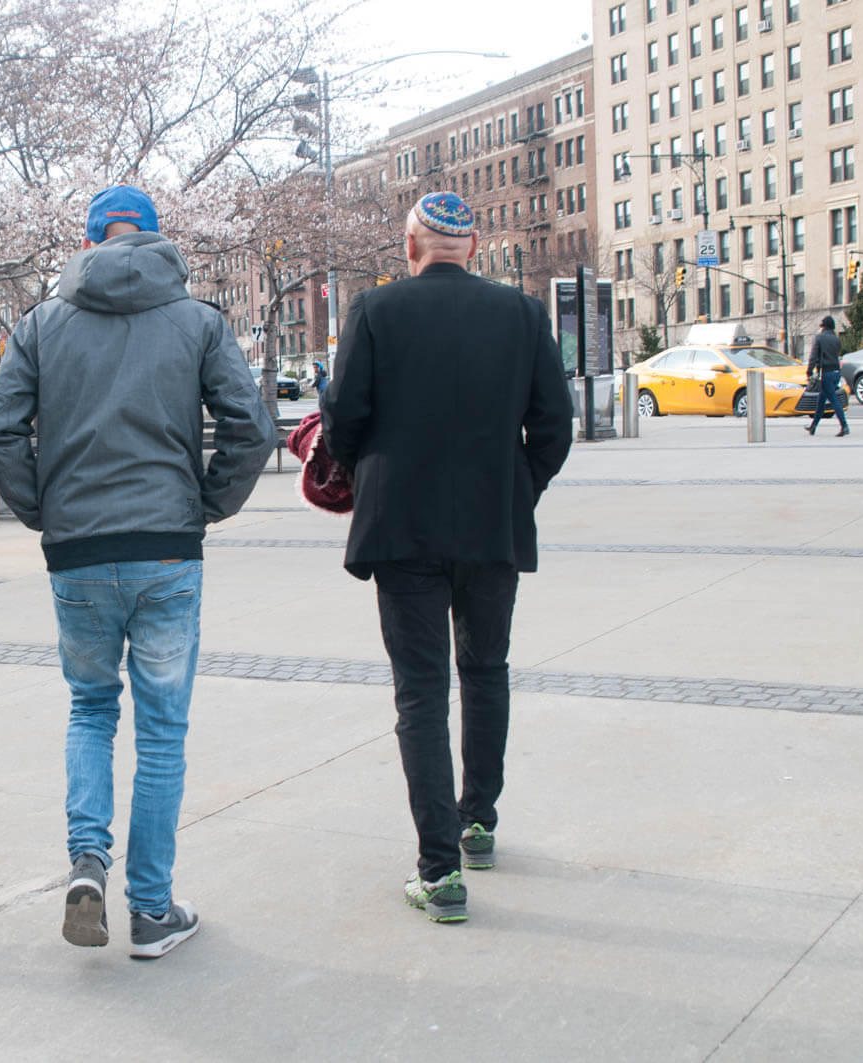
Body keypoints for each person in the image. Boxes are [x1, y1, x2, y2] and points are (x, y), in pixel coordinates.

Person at [0, 185, 273, 959]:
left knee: (91, 709)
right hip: (168, 546)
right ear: (155, 239)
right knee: (163, 732)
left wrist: (44, 508)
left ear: (88, 242)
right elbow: (251, 426)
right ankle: (151, 909)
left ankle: (87, 859)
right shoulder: (200, 321)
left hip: (78, 551)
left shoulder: (42, 323)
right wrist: (207, 503)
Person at [321, 192, 573, 924]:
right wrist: (517, 486)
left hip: (402, 527)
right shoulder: (522, 316)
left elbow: (344, 416)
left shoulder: (374, 310)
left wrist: (359, 466)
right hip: (492, 526)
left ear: (411, 246)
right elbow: (553, 426)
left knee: (422, 692)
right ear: (475, 248)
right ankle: (478, 822)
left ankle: (439, 870)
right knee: (486, 671)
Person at [806, 315, 849, 437]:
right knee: (821, 400)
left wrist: (809, 371)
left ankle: (844, 426)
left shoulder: (819, 338)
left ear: (824, 327)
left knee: (833, 399)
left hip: (826, 373)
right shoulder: (836, 339)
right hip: (836, 372)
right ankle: (813, 426)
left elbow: (813, 356)